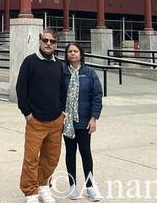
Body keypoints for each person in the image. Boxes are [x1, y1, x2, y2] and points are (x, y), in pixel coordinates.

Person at [16, 28, 65, 203]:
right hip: (35, 120)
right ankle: (30, 192)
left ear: (56, 44)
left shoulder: (59, 64)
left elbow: (63, 90)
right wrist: (27, 113)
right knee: (31, 158)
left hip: (55, 120)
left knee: (51, 158)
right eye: (45, 40)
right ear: (39, 41)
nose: (48, 44)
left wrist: (62, 112)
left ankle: (43, 186)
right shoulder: (29, 62)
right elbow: (21, 89)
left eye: (52, 41)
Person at [61, 42, 102, 201]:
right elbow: (57, 94)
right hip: (68, 122)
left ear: (81, 54)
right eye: (70, 51)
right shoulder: (62, 73)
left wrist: (94, 118)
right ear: (66, 55)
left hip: (84, 120)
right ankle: (72, 186)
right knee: (70, 153)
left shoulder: (90, 73)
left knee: (86, 152)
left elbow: (96, 96)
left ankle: (90, 186)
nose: (72, 54)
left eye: (75, 51)